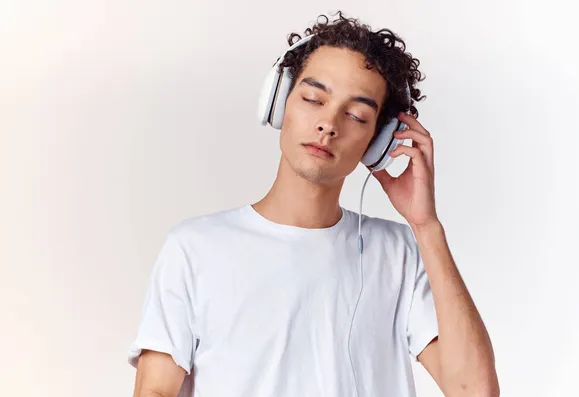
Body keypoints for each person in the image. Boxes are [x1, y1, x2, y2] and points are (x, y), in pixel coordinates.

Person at [127, 11, 499, 397]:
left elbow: (474, 390)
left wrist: (426, 227)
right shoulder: (193, 248)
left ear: (379, 142)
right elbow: (154, 391)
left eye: (356, 115)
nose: (329, 123)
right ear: (279, 103)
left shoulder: (400, 253)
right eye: (313, 98)